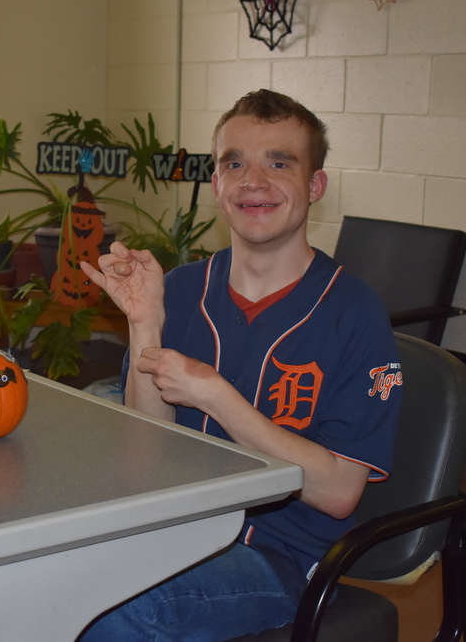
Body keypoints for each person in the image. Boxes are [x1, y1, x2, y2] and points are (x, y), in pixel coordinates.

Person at [78, 89, 403, 641]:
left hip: (278, 557)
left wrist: (214, 393)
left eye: (279, 163)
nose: (254, 181)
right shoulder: (180, 289)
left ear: (314, 185)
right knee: (31, 580)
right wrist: (146, 323)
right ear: (217, 184)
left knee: (110, 615)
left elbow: (339, 491)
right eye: (235, 163)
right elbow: (145, 453)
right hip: (175, 533)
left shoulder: (354, 312)